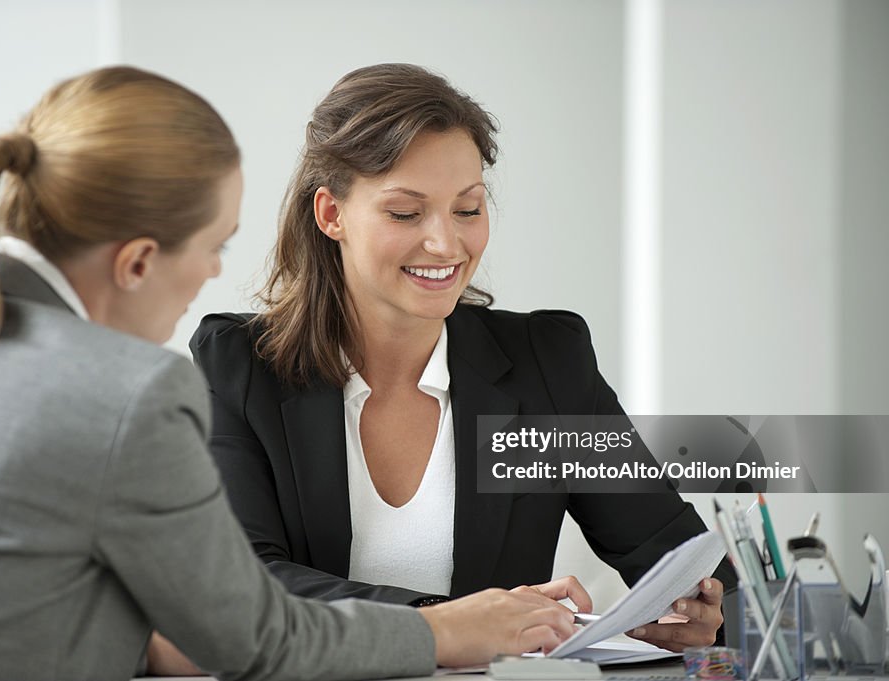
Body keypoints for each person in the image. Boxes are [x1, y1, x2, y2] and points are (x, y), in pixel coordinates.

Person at [0, 66, 583, 681]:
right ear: (139, 260)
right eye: (215, 246)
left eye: (468, 206)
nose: (214, 273)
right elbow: (254, 635)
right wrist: (446, 628)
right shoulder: (152, 383)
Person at [191, 63, 735, 652]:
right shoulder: (240, 367)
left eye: (468, 209)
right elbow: (242, 584)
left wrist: (704, 613)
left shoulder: (546, 363)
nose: (446, 244)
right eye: (405, 213)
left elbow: (676, 558)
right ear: (332, 215)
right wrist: (447, 622)